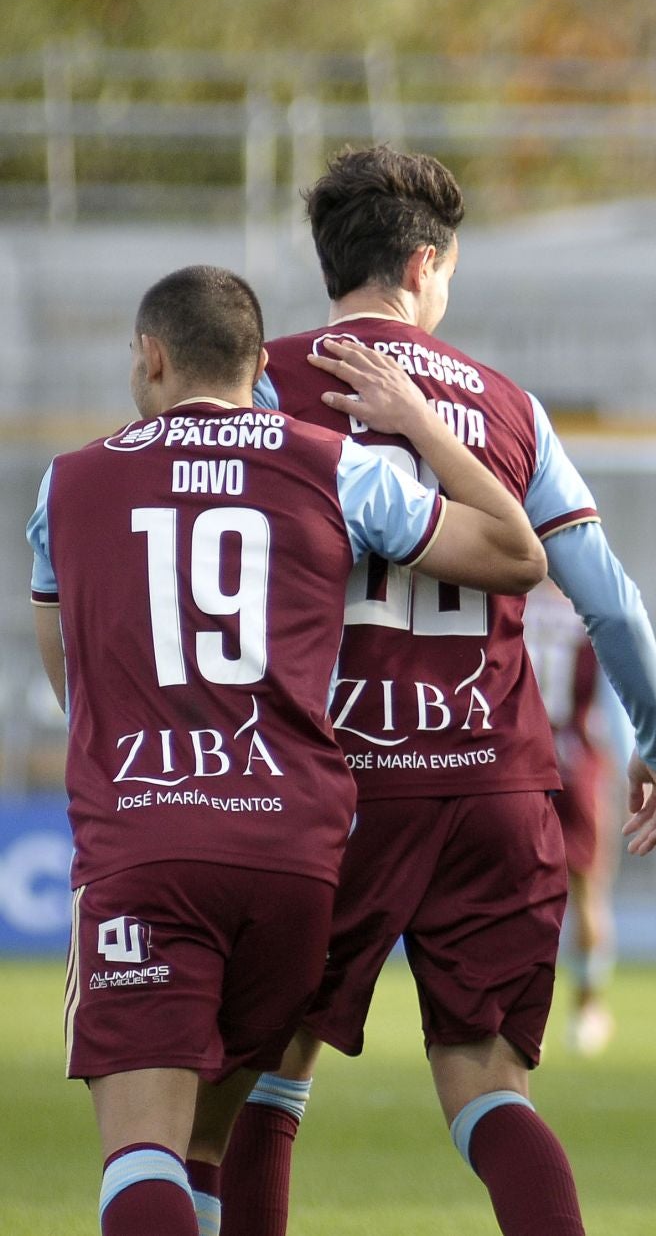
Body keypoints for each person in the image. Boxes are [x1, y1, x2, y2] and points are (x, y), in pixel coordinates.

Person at [218, 144, 656, 1236]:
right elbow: (607, 598)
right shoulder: (509, 404)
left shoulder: (264, 383)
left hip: (330, 782)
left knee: (270, 1072)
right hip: (492, 780)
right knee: (485, 1081)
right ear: (425, 263)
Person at [29, 265, 545, 1236]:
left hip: (147, 839)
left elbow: (72, 677)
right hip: (292, 855)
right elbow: (516, 550)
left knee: (148, 1153)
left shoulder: (72, 482)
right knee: (214, 1145)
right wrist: (427, 424)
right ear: (261, 364)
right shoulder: (331, 465)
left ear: (150, 356)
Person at [522, 580, 619, 1056]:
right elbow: (613, 695)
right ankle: (588, 1009)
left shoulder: (510, 605)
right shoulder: (586, 610)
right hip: (577, 759)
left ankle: (514, 1002)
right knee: (589, 890)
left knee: (512, 889)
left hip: (518, 756)